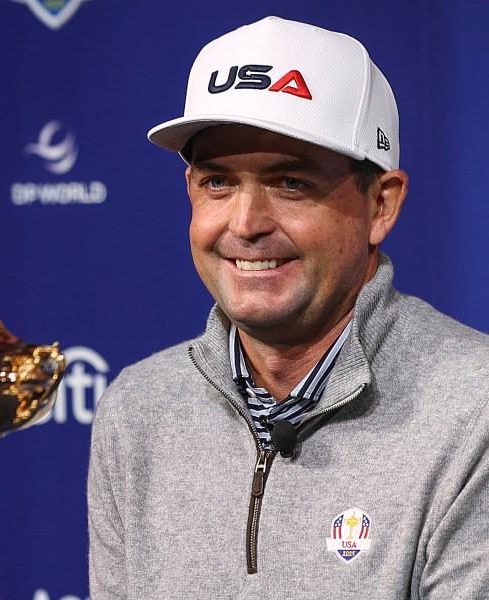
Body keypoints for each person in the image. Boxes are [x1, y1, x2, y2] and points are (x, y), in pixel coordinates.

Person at [88, 17, 489, 599]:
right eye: (217, 184)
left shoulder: (475, 408)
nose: (245, 224)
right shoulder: (139, 409)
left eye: (291, 184)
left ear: (381, 205)